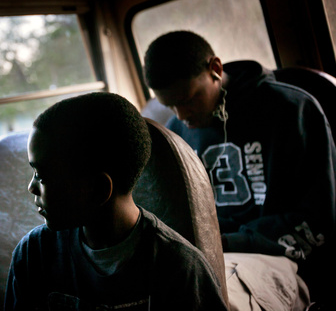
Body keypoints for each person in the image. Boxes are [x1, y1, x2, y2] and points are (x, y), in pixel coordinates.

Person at [144, 30, 336, 309]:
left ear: (215, 70)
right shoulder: (176, 131)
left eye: (188, 99)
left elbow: (318, 216)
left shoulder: (292, 110)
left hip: (277, 253)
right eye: (170, 106)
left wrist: (226, 242)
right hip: (207, 253)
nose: (182, 115)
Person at [4, 92, 228, 310]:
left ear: (99, 190)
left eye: (42, 176)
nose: (31, 187)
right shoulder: (34, 255)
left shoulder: (181, 270)